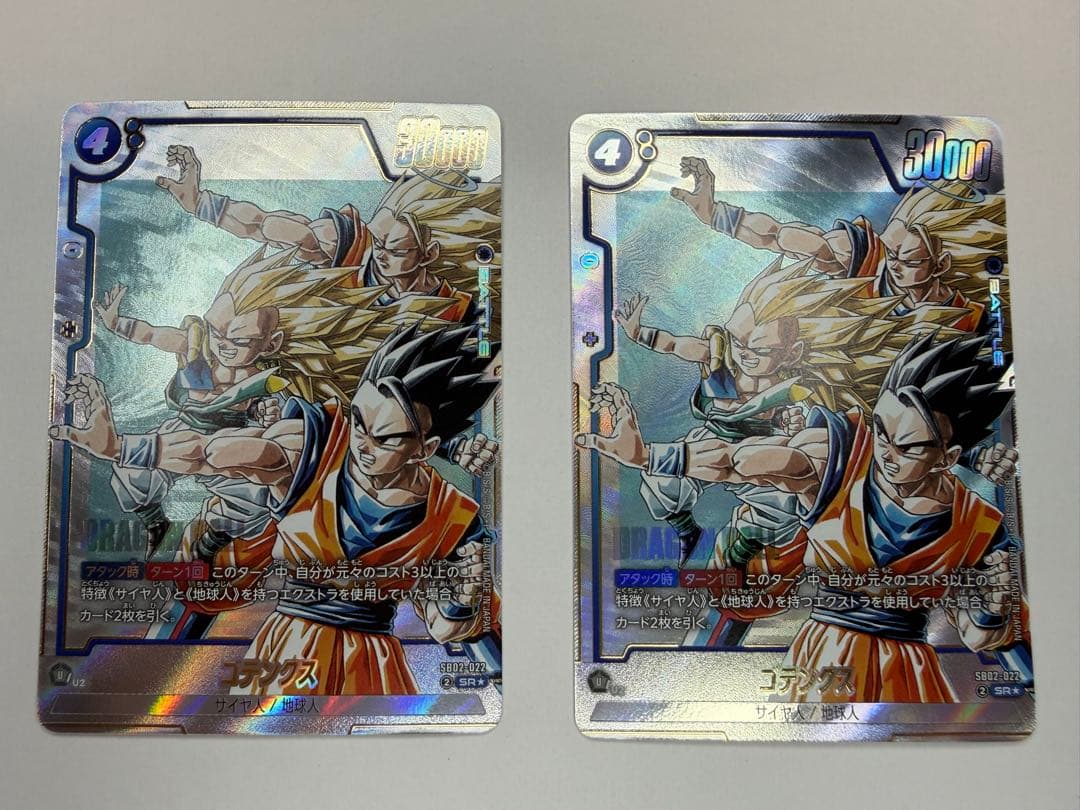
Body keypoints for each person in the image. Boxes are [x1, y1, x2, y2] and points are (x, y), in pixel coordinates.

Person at [53, 323, 501, 696]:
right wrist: (122, 448)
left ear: (426, 448)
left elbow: (444, 628)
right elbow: (214, 452)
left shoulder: (452, 516)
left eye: (384, 438)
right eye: (359, 421)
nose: (361, 444)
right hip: (287, 650)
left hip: (373, 667)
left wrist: (464, 601)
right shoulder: (319, 444)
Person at [576, 333, 1028, 701]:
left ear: (948, 457)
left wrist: (992, 611)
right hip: (823, 657)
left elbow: (976, 636)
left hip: (909, 676)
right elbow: (740, 461)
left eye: (907, 447)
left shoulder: (977, 523)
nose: (886, 453)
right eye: (881, 430)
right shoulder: (845, 454)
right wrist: (650, 456)